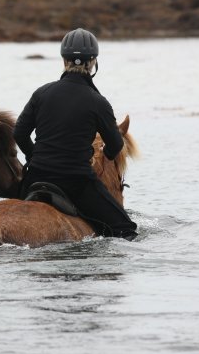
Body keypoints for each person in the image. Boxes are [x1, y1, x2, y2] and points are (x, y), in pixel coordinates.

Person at [13, 28, 138, 241]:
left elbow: (19, 133)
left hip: (36, 178)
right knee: (126, 230)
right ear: (93, 63)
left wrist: (34, 157)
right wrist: (104, 153)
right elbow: (116, 147)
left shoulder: (42, 93)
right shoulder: (98, 102)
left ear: (64, 60)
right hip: (76, 183)